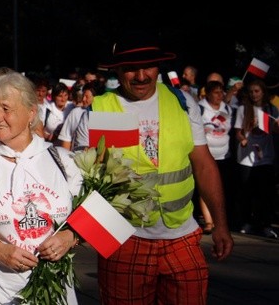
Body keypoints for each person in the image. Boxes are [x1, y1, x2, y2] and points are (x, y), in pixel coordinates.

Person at [73, 31, 233, 303]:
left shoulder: (182, 103)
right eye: (131, 69)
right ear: (118, 70)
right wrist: (104, 242)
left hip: (182, 236)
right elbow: (79, 182)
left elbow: (203, 165)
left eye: (148, 66)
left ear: (159, 67)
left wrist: (221, 224)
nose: (141, 76)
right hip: (123, 242)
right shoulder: (101, 110)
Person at [0, 73, 83, 304]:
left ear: (31, 113)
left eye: (6, 108)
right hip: (0, 293)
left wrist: (70, 236)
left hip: (58, 291)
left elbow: (91, 217)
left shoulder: (63, 161)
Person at [233, 78, 278, 238]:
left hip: (265, 157)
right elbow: (238, 131)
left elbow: (275, 131)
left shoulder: (271, 110)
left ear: (263, 92)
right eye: (251, 91)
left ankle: (265, 224)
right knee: (246, 192)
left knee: (265, 193)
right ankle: (246, 222)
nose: (254, 94)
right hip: (246, 158)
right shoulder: (243, 109)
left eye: (257, 91)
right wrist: (243, 139)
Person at [197, 80, 234, 234]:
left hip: (224, 155)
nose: (220, 95)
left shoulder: (227, 108)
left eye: (222, 92)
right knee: (205, 188)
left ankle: (220, 220)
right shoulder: (200, 108)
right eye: (216, 92)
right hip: (207, 155)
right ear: (209, 93)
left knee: (221, 189)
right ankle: (209, 221)